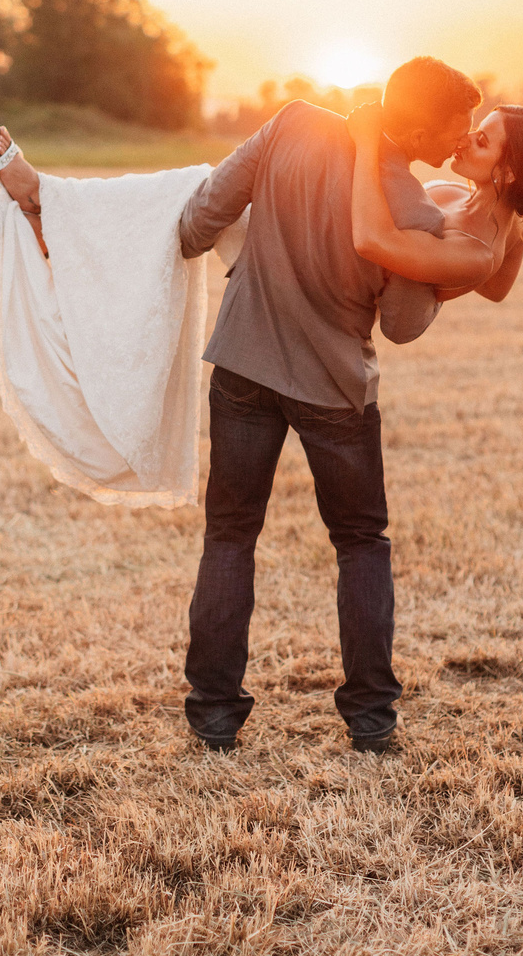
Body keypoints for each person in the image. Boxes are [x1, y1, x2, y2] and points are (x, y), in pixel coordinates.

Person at [174, 56, 480, 753]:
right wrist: (444, 275)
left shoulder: (291, 123)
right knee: (360, 544)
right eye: (456, 124)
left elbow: (198, 224)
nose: (461, 139)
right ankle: (371, 721)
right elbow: (402, 324)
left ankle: (213, 713)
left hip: (243, 366)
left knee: (229, 535)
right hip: (335, 389)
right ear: (420, 122)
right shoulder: (416, 210)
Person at [345, 100, 523, 297]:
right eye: (475, 130)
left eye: (481, 141)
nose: (463, 140)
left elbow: (371, 242)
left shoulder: (477, 256)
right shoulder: (513, 224)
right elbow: (495, 291)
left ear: (508, 173)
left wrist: (366, 141)